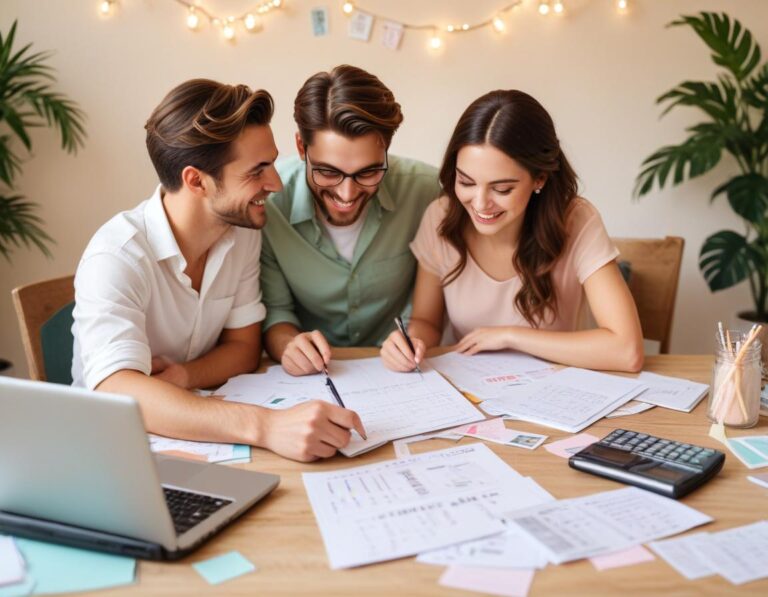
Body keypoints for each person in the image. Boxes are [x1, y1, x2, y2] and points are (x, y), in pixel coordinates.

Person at [72, 79, 365, 462]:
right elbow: (119, 389)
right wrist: (268, 426)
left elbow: (243, 349)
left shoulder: (241, 232)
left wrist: (185, 376)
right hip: (108, 451)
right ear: (196, 181)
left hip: (206, 439)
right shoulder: (116, 257)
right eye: (257, 170)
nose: (275, 183)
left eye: (273, 163)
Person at [381, 90, 644, 373]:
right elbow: (427, 321)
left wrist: (510, 336)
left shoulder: (577, 221)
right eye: (466, 182)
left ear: (539, 178)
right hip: (469, 391)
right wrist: (412, 343)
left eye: (502, 189)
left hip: (553, 392)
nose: (480, 203)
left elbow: (626, 351)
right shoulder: (441, 217)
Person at [261, 65, 441, 376]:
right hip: (315, 377)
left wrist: (414, 341)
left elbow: (429, 315)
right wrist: (289, 346)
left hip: (403, 374)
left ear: (386, 149)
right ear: (301, 148)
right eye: (328, 172)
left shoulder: (426, 192)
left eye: (368, 172)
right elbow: (276, 313)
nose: (347, 193)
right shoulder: (270, 205)